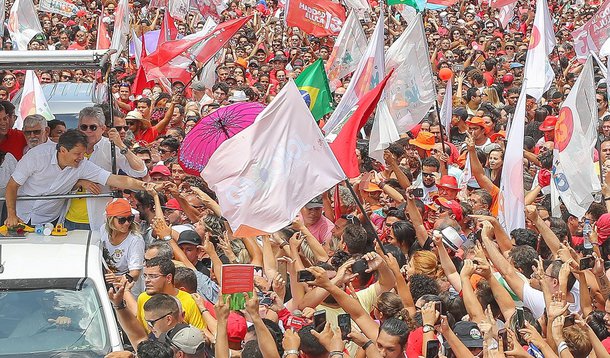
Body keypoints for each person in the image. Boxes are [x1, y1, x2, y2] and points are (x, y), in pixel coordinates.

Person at [5, 130, 151, 226]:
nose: (82, 157)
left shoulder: (83, 165)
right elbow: (12, 185)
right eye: (77, 154)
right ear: (63, 150)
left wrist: (147, 186)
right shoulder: (36, 156)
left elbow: (116, 180)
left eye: (83, 153)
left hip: (48, 221)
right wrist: (11, 215)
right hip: (19, 217)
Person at [64, 107, 147, 230]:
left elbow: (140, 170)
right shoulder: (69, 148)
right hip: (69, 218)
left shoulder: (111, 147)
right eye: (83, 127)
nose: (88, 131)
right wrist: (80, 182)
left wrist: (121, 145)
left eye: (93, 127)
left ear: (103, 128)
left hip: (101, 220)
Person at [101, 198, 145, 288]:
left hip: (129, 287)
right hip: (108, 284)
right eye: (122, 220)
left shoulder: (135, 239)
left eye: (130, 219)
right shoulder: (103, 230)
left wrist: (116, 279)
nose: (126, 223)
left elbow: (135, 273)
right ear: (110, 219)